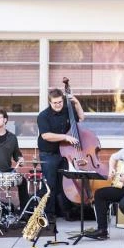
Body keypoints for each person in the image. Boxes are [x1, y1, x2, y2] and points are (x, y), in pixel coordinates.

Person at [37, 88, 83, 222]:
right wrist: (65, 137)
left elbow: (81, 117)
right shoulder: (43, 116)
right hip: (49, 154)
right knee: (50, 184)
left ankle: (65, 211)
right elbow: (46, 136)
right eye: (55, 103)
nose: (58, 105)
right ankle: (49, 214)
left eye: (60, 102)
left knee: (65, 183)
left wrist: (76, 103)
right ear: (50, 102)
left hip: (65, 153)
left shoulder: (67, 111)